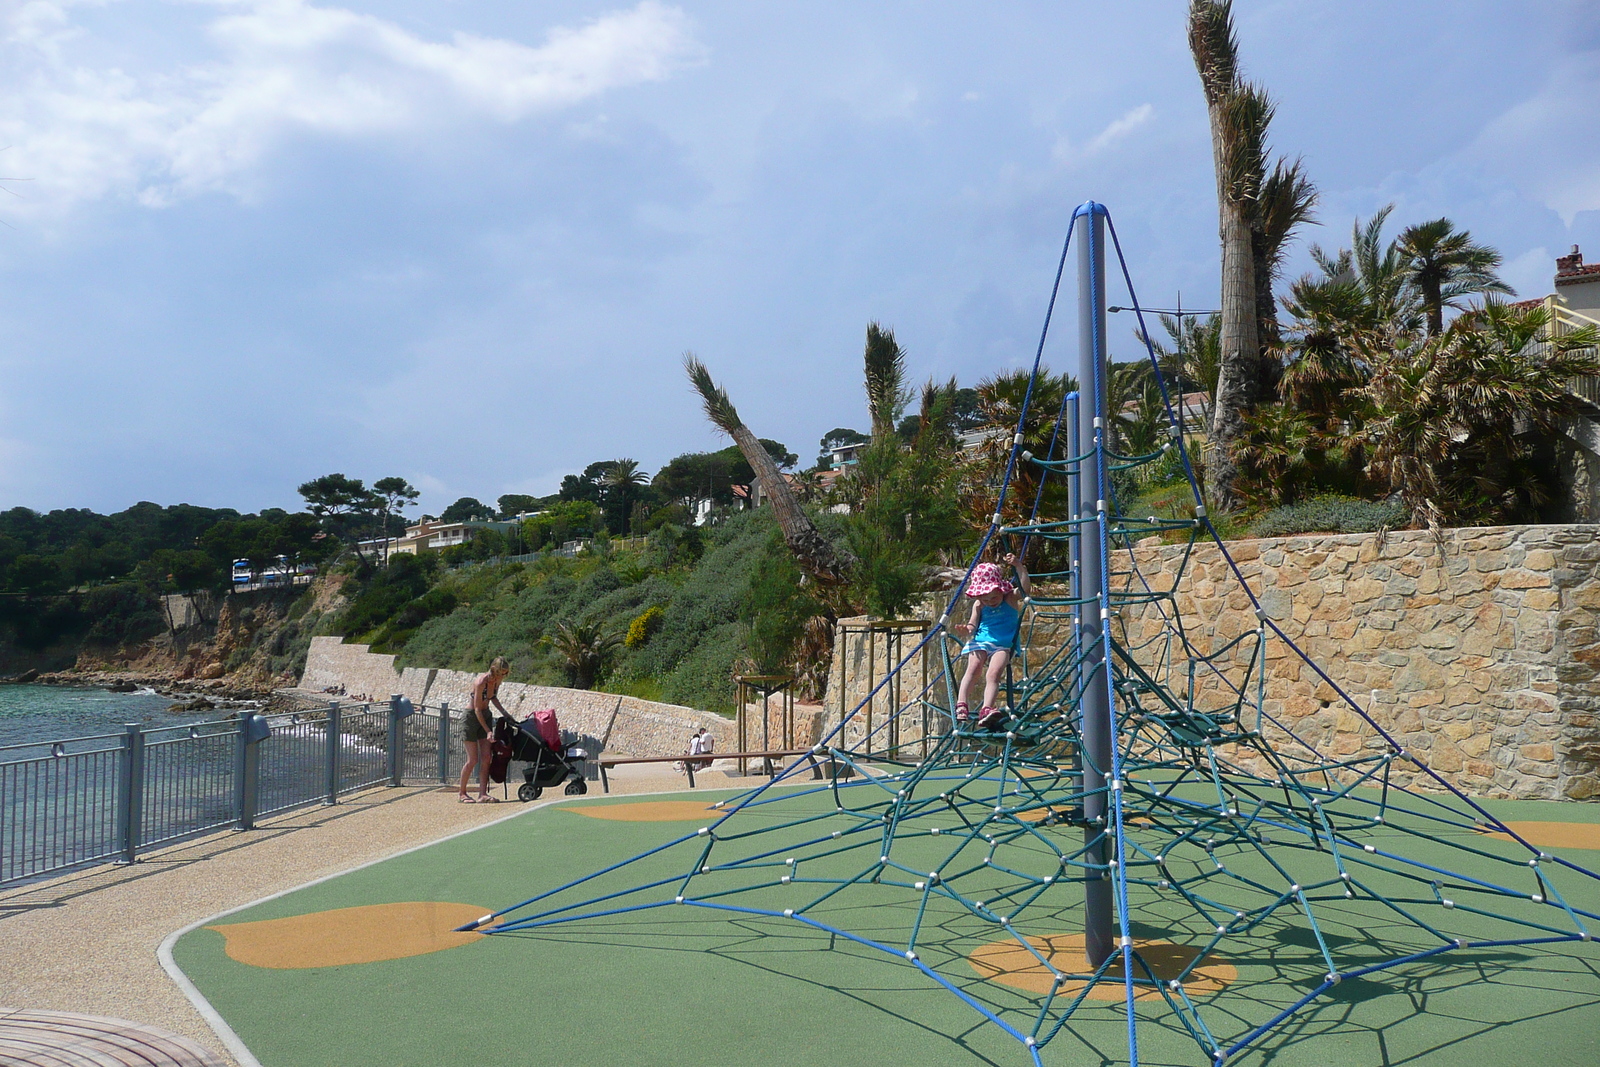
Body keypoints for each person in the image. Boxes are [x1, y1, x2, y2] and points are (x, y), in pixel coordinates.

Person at [951, 552, 1031, 731]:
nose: (990, 602)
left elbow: (1026, 588)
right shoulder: (979, 604)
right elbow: (973, 625)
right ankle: (962, 703)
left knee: (993, 673)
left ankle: (986, 708)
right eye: (985, 599)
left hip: (1004, 644)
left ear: (1000, 590)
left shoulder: (1010, 597)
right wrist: (966, 630)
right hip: (981, 640)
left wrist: (1018, 566)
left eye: (993, 597)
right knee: (973, 668)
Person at [458, 656, 510, 802]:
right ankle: (462, 793)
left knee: (487, 757)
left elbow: (493, 698)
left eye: (505, 673)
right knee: (473, 759)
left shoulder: (496, 681)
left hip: (485, 715)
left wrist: (506, 713)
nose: (503, 676)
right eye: (501, 673)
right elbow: (476, 710)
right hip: (472, 717)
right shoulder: (481, 682)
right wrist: (488, 730)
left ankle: (483, 794)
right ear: (494, 670)